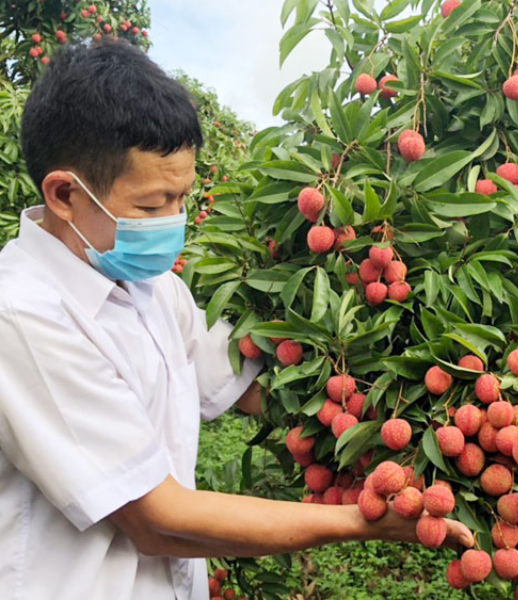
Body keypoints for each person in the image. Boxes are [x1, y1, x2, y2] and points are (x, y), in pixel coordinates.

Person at [0, 40, 473, 600]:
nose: (176, 220)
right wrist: (359, 520)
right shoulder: (23, 317)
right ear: (63, 194)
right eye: (153, 206)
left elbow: (240, 387)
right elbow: (157, 520)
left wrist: (395, 413)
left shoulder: (157, 290)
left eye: (183, 198)